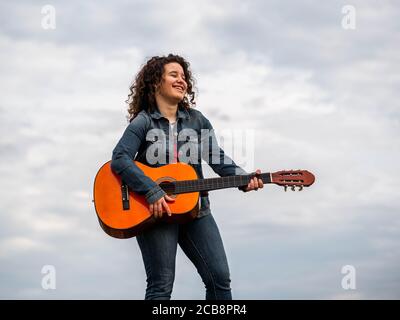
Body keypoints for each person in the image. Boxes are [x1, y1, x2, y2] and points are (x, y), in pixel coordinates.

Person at [110, 54, 263, 300]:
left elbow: (217, 157)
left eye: (184, 77)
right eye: (174, 75)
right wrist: (152, 190)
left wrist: (244, 178)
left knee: (220, 279)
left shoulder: (197, 120)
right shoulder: (144, 121)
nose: (182, 81)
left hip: (197, 211)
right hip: (155, 213)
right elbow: (120, 158)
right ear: (156, 82)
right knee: (161, 285)